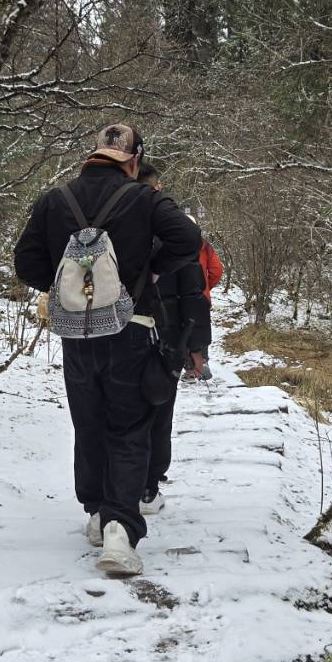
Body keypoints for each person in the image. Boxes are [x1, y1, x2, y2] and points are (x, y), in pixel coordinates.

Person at [13, 124, 201, 577]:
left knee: (89, 423)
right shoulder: (146, 199)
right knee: (130, 427)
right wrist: (150, 271)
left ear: (93, 154)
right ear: (134, 161)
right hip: (131, 329)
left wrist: (68, 290)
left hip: (76, 335)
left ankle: (97, 513)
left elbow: (26, 263)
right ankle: (119, 530)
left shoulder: (55, 200)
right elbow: (188, 240)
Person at [136, 162, 214, 516]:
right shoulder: (175, 230)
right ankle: (148, 488)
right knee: (158, 409)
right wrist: (196, 348)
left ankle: (119, 492)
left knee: (116, 412)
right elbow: (193, 293)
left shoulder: (110, 223)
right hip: (165, 337)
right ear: (156, 188)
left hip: (115, 333)